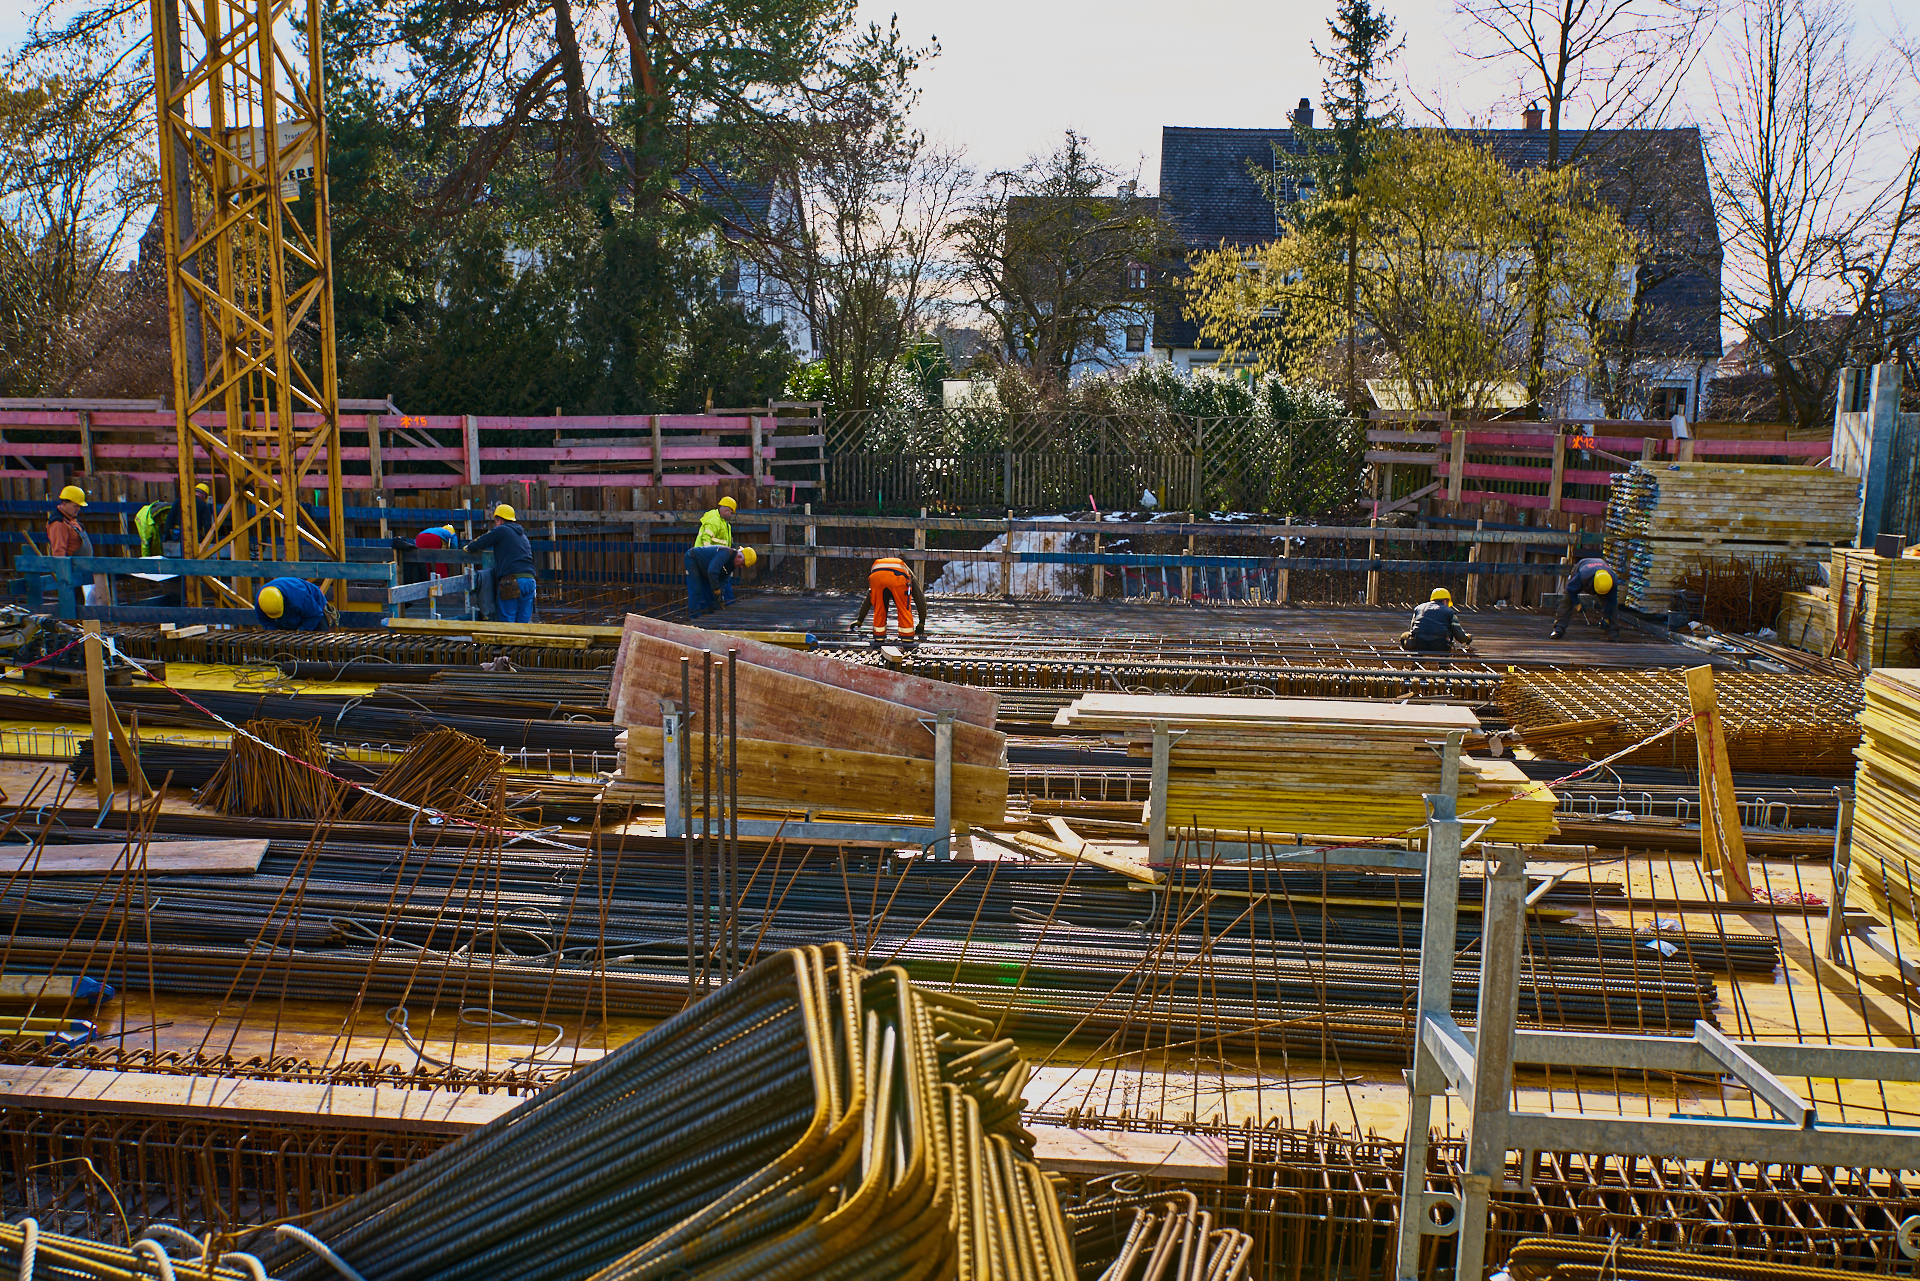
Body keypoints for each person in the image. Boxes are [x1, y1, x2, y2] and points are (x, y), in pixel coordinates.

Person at [466, 504, 537, 623]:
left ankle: (507, 642)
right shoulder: (522, 535)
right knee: (523, 625)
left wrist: (469, 548)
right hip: (530, 581)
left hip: (512, 581)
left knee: (507, 624)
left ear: (500, 520)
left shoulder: (501, 529)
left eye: (495, 521)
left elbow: (482, 541)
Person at [852, 555, 928, 643]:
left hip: (876, 578)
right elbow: (919, 598)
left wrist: (860, 620)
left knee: (879, 607)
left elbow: (869, 598)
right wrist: (922, 621)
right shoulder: (906, 571)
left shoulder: (878, 566)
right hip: (898, 579)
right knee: (903, 608)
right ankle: (907, 638)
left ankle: (879, 637)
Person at [1552, 557, 1620, 640]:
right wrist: (1577, 604)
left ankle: (1612, 632)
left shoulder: (1613, 580)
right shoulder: (1581, 576)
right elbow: (1570, 590)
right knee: (1567, 600)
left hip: (1600, 573)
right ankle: (1558, 629)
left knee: (1612, 607)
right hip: (1583, 567)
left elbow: (1611, 603)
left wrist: (1606, 617)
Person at [685, 544, 754, 619]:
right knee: (696, 590)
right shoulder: (725, 553)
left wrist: (720, 595)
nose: (741, 567)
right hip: (693, 559)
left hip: (705, 567)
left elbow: (724, 580)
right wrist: (716, 589)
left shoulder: (732, 564)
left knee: (709, 591)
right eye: (742, 564)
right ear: (739, 557)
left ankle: (710, 613)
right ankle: (693, 617)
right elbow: (712, 572)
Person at [1399, 587, 1472, 653]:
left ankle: (1416, 659)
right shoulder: (1450, 612)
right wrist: (1467, 639)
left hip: (1419, 643)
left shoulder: (1419, 608)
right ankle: (1443, 665)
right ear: (1445, 601)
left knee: (1404, 636)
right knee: (1450, 630)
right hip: (1440, 645)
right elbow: (1459, 636)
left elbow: (1412, 629)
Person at [254, 576, 331, 632]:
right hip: (291, 607)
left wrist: (301, 632)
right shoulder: (260, 601)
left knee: (321, 644)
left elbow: (315, 614)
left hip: (314, 608)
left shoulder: (299, 597)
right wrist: (275, 631)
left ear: (283, 600)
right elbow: (264, 620)